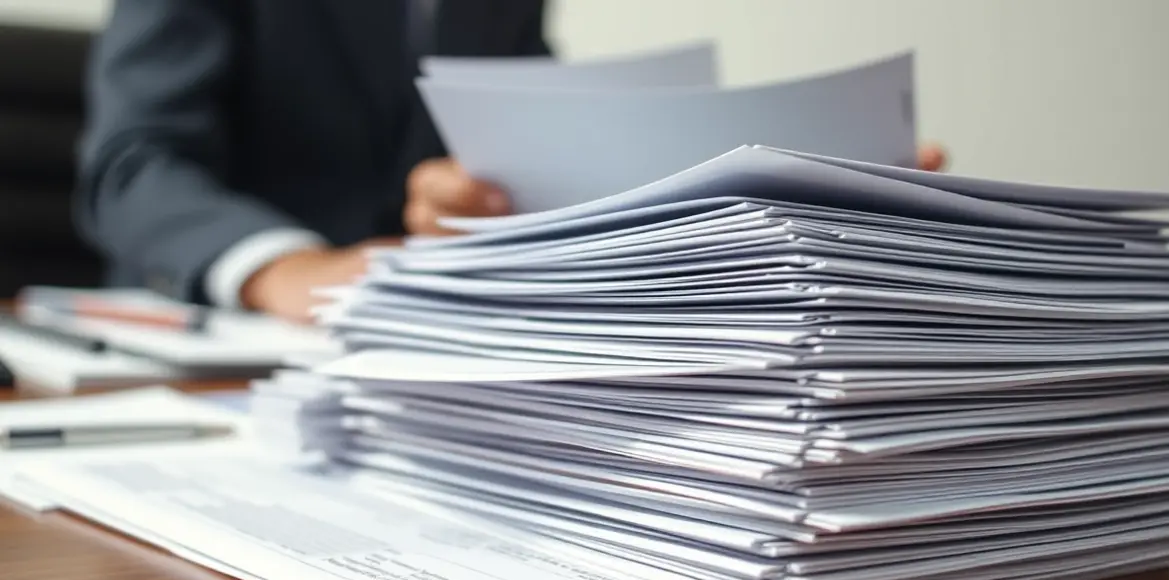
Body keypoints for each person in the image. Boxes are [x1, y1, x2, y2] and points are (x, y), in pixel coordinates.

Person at [76, 0, 946, 324]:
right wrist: (284, 265)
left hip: (420, 337)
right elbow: (129, 163)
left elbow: (524, 164)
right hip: (219, 332)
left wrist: (806, 199)